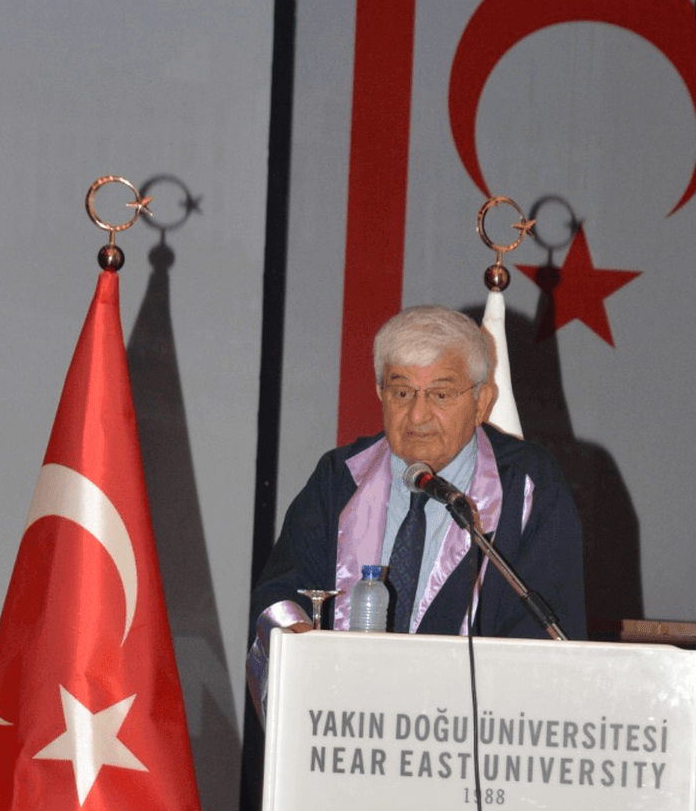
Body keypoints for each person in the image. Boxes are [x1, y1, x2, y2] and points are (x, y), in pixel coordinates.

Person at [247, 305, 585, 713]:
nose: (418, 415)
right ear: (381, 394)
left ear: (481, 401)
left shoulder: (527, 487)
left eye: (441, 394)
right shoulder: (339, 478)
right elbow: (279, 594)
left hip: (466, 733)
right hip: (344, 725)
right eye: (402, 392)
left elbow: (544, 637)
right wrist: (298, 645)